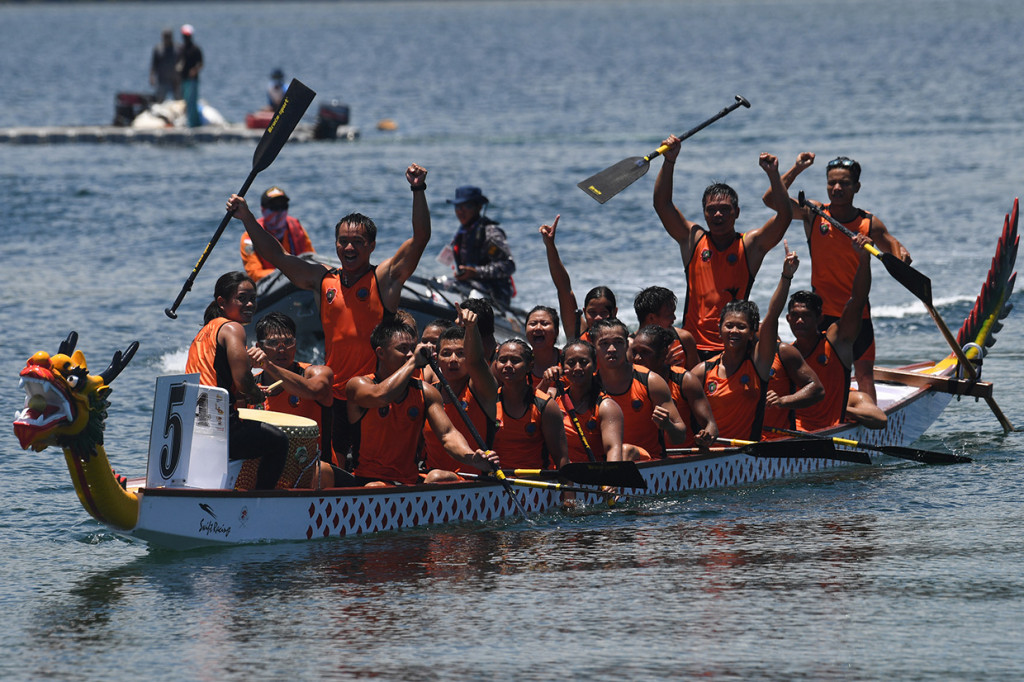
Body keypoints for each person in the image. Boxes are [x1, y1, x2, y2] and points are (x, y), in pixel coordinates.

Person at [227, 163, 431, 464]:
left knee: (373, 463)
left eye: (358, 242)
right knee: (339, 463)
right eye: (343, 242)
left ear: (372, 246)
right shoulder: (322, 279)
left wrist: (418, 189)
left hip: (376, 389)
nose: (349, 248)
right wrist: (245, 218)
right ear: (335, 244)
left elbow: (421, 238)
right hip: (336, 394)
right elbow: (276, 256)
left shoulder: (384, 278)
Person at [765, 153, 911, 404]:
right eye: (831, 183)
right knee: (817, 372)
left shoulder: (868, 223)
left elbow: (894, 248)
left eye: (844, 183)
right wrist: (797, 169)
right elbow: (771, 199)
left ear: (856, 187)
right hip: (821, 314)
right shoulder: (813, 213)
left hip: (857, 313)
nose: (837, 188)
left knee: (864, 374)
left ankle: (870, 424)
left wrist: (902, 256)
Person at [653, 146, 793, 359]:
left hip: (734, 347)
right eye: (711, 209)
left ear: (736, 212)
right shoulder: (693, 239)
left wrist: (773, 174)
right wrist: (669, 162)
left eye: (725, 209)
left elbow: (784, 216)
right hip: (692, 346)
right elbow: (662, 204)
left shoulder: (750, 245)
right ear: (704, 213)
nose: (718, 214)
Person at [345, 319, 500, 486]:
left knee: (381, 486)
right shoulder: (358, 385)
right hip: (364, 478)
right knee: (325, 471)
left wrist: (471, 457)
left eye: (412, 349)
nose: (410, 354)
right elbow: (381, 396)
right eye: (403, 349)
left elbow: (448, 434)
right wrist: (413, 363)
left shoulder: (426, 393)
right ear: (381, 353)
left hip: (404, 483)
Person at [185, 271, 287, 490]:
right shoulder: (233, 328)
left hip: (192, 425)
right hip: (216, 429)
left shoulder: (204, 332)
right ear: (222, 302)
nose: (250, 304)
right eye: (242, 298)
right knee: (278, 441)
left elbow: (219, 381)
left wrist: (252, 388)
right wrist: (257, 393)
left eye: (253, 298)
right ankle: (261, 502)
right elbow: (242, 381)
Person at [690, 248, 798, 441]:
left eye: (741, 327)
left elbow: (772, 317)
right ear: (719, 328)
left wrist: (786, 276)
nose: (734, 331)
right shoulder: (701, 372)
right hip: (709, 455)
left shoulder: (759, 363)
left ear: (751, 333)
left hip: (747, 458)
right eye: (729, 326)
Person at [786, 234, 888, 430]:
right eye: (795, 316)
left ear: (819, 319)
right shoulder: (786, 353)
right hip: (794, 431)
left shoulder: (836, 343)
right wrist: (787, 276)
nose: (799, 321)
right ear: (788, 319)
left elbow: (858, 301)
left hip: (829, 427)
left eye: (806, 316)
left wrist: (864, 258)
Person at [248, 313, 335, 475]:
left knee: (321, 471)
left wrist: (268, 365)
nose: (282, 349)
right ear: (259, 348)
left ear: (295, 345)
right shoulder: (250, 385)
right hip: (267, 469)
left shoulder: (316, 373)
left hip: (312, 468)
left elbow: (313, 391)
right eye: (273, 343)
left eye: (288, 342)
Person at [590, 318, 689, 459]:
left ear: (627, 345)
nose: (612, 349)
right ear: (593, 347)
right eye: (604, 343)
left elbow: (680, 436)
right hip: (606, 466)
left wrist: (668, 425)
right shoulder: (589, 385)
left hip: (649, 465)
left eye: (618, 342)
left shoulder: (651, 381)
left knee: (623, 452)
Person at [421, 308, 499, 483]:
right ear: (436, 358)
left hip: (470, 483)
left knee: (436, 477)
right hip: (428, 477)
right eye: (446, 354)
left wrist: (472, 328)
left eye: (461, 353)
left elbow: (477, 361)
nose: (453, 359)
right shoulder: (428, 393)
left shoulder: (481, 390)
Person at [629, 325, 718, 449]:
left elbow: (711, 425)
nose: (637, 358)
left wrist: (706, 436)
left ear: (664, 353)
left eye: (645, 352)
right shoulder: (627, 381)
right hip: (646, 458)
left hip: (682, 456)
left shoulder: (686, 380)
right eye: (634, 352)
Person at [492, 339, 570, 470]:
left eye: (515, 360)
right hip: (495, 485)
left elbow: (562, 458)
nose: (508, 365)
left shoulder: (546, 405)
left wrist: (567, 489)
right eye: (503, 360)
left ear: (530, 366)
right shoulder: (489, 402)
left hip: (536, 486)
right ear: (495, 365)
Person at [539, 214, 618, 342]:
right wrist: (550, 245)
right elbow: (563, 288)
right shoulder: (577, 333)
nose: (598, 318)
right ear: (584, 312)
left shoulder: (625, 343)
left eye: (604, 313)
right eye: (592, 312)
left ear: (614, 312)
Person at [548, 339, 626, 464]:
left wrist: (611, 482)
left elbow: (613, 449)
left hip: (590, 476)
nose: (578, 368)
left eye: (584, 362)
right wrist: (545, 381)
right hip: (556, 477)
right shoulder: (552, 397)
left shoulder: (606, 406)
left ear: (595, 366)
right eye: (571, 363)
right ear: (562, 367)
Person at [444, 185, 515, 305]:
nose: (461, 211)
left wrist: (476, 272)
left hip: (495, 293)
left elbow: (508, 265)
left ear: (479, 207)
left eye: (467, 206)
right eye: (457, 206)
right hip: (469, 285)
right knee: (444, 282)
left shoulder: (490, 233)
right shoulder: (462, 234)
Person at [239, 186, 315, 282]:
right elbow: (254, 273)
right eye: (274, 207)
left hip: (300, 281)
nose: (279, 212)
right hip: (269, 286)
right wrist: (285, 274)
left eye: (283, 207)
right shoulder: (249, 237)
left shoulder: (297, 227)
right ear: (263, 210)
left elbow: (311, 257)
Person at [632, 286, 700, 371]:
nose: (674, 318)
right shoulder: (629, 346)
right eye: (669, 315)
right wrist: (662, 367)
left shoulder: (685, 339)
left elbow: (697, 378)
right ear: (651, 318)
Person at [524, 305, 561, 386]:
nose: (538, 328)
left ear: (556, 331)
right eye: (533, 324)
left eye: (544, 324)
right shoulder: (520, 364)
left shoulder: (568, 362)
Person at [176, 24, 203, 127]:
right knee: (186, 101)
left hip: (192, 80)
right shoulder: (181, 49)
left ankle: (193, 124)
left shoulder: (195, 49)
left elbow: (201, 63)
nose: (185, 38)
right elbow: (179, 62)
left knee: (192, 101)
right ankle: (189, 122)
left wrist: (195, 70)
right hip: (183, 79)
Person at [149, 28, 180, 102]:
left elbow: (182, 61)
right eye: (165, 36)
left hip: (175, 81)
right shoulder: (158, 49)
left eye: (168, 36)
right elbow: (154, 64)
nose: (167, 38)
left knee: (179, 101)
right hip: (162, 80)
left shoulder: (178, 48)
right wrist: (152, 76)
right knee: (159, 100)